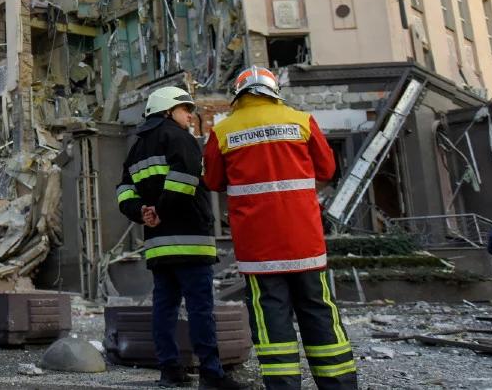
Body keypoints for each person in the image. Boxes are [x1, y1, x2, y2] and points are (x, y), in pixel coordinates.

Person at [203, 66, 358, 390]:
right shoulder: (301, 121)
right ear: (274, 91)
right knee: (319, 312)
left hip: (259, 250)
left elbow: (213, 180)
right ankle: (340, 385)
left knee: (271, 321)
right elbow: (328, 169)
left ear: (239, 94)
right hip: (305, 243)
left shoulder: (223, 130)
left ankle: (284, 385)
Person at [117, 86, 243, 389]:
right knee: (200, 308)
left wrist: (142, 212)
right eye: (186, 109)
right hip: (190, 240)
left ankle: (169, 371)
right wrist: (159, 209)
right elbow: (185, 180)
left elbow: (123, 191)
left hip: (158, 246)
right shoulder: (179, 138)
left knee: (164, 308)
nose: (191, 115)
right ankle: (212, 374)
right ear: (167, 111)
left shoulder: (136, 147)